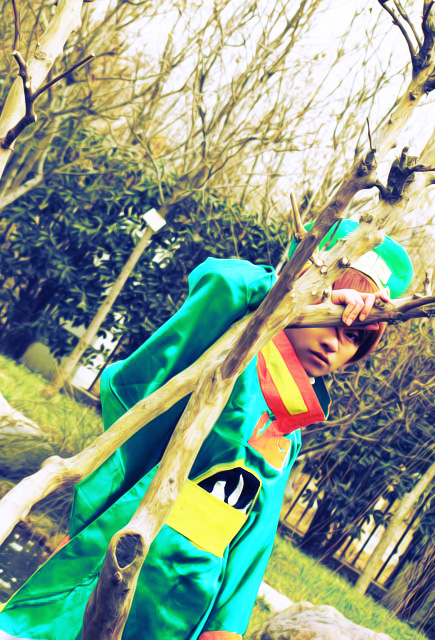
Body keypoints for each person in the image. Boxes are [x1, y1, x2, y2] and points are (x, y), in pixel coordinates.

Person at [0, 219, 413, 640]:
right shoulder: (229, 353)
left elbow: (255, 541)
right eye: (329, 315)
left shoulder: (291, 430)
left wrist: (226, 627)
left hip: (187, 599)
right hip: (118, 558)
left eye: (353, 335)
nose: (334, 342)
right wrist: (290, 294)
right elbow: (221, 281)